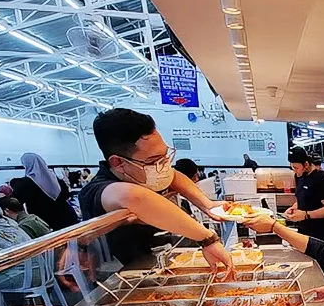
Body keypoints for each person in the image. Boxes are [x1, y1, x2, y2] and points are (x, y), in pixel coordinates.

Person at [78, 109, 233, 274]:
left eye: (165, 156)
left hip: (162, 263)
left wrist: (207, 204)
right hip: (125, 276)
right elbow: (133, 197)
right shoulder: (97, 190)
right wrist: (207, 240)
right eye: (153, 161)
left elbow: (173, 176)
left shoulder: (143, 173)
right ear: (118, 163)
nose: (164, 166)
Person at [10, 153, 79, 231]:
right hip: (67, 216)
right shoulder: (54, 177)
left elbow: (15, 201)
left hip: (47, 223)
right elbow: (66, 194)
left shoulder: (27, 183)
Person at [285, 146, 324, 244]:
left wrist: (306, 215)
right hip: (303, 230)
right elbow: (305, 197)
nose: (294, 171)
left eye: (296, 168)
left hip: (319, 234)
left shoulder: (320, 179)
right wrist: (294, 207)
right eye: (292, 167)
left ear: (306, 164)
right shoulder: (299, 176)